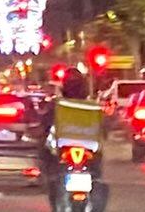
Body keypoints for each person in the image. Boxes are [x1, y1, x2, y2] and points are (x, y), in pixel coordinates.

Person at [40, 67, 108, 212]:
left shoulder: (58, 105)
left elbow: (44, 124)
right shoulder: (92, 107)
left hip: (68, 155)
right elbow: (104, 127)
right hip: (85, 155)